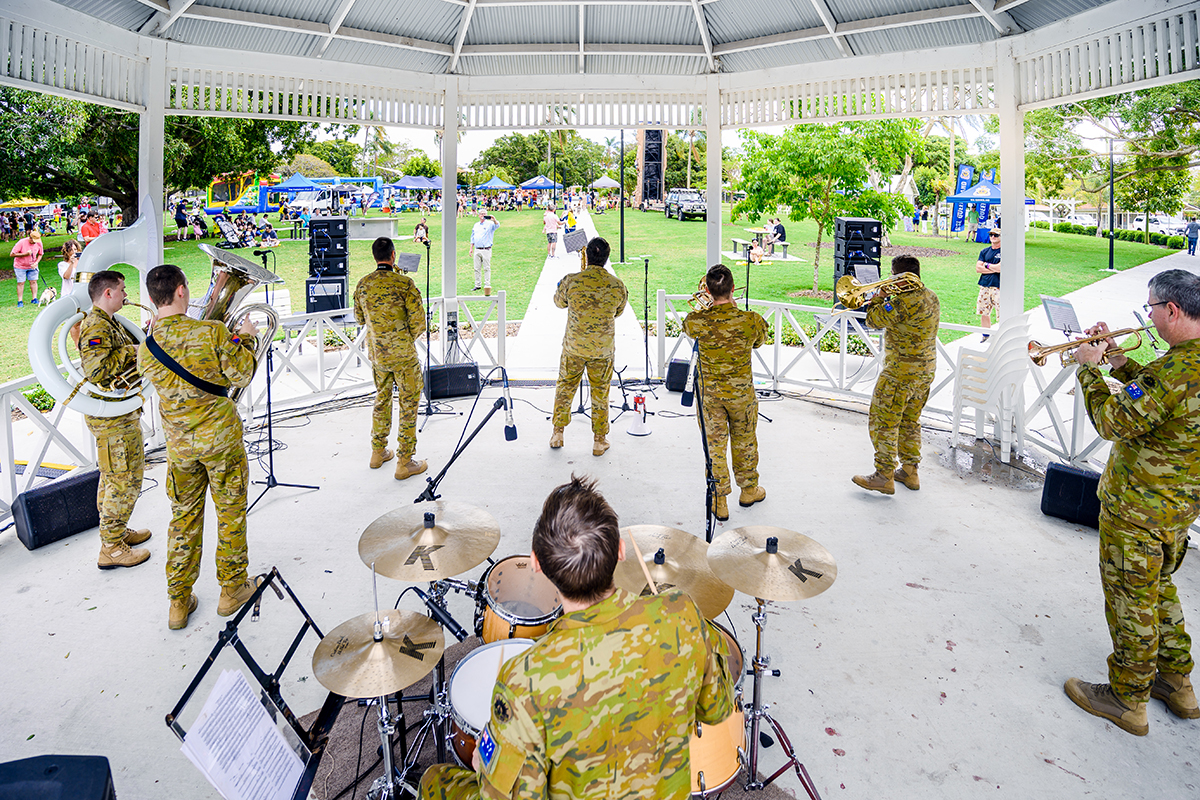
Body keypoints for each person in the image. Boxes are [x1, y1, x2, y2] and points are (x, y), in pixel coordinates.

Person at [417, 474, 735, 800]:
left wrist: (485, 764)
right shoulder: (682, 615)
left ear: (537, 564)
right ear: (621, 549)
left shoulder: (525, 679)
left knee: (434, 781)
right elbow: (718, 709)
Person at [1064, 269, 1200, 736]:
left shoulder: (1174, 370)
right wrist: (1120, 360)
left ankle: (1127, 699)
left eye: (1152, 310)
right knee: (1161, 593)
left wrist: (1088, 366)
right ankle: (1177, 684)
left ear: (1173, 310)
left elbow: (1111, 420)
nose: (1150, 318)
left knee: (1130, 602)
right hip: (1178, 509)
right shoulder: (1183, 366)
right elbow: (1165, 402)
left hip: (1137, 510)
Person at [137, 264, 261, 631]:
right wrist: (247, 338)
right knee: (230, 514)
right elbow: (241, 374)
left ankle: (178, 601)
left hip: (180, 448)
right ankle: (232, 588)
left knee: (183, 520)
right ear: (181, 291)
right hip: (221, 441)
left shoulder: (146, 347)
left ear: (151, 298)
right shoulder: (213, 332)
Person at [682, 264, 770, 520]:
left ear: (708, 291)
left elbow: (688, 328)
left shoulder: (697, 321)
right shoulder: (751, 320)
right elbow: (759, 342)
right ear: (733, 289)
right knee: (745, 441)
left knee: (715, 447)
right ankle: (749, 490)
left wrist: (709, 307)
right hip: (742, 395)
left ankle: (720, 500)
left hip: (710, 397)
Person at [79, 270, 153, 570]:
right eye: (121, 290)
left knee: (113, 477)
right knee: (125, 479)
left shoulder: (108, 323)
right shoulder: (96, 324)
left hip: (118, 413)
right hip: (111, 418)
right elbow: (97, 370)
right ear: (107, 293)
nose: (126, 295)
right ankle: (111, 547)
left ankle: (117, 533)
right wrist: (136, 351)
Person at [850, 255, 941, 495]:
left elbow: (873, 320)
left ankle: (883, 475)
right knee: (910, 421)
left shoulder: (901, 302)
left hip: (900, 373)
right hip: (925, 371)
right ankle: (910, 471)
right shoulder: (931, 296)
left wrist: (878, 298)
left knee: (884, 422)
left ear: (898, 276)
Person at [353, 237, 427, 479]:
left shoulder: (363, 284)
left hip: (378, 355)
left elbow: (359, 319)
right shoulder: (405, 284)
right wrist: (404, 339)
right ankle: (405, 461)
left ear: (375, 256)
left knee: (381, 400)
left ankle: (378, 452)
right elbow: (419, 323)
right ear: (393, 256)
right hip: (404, 356)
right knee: (408, 405)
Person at [550, 237, 627, 456]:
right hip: (602, 351)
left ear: (587, 256)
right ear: (606, 257)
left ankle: (558, 433)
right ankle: (599, 440)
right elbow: (618, 312)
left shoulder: (572, 280)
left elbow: (558, 302)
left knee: (565, 387)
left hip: (574, 347)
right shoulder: (617, 285)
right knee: (601, 392)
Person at [975, 228, 1001, 337]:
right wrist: (993, 268)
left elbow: (1000, 268)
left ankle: (1002, 336)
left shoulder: (1004, 251)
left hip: (998, 287)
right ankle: (985, 335)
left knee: (1001, 313)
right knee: (984, 312)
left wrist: (986, 265)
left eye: (996, 235)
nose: (993, 237)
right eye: (991, 235)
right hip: (984, 286)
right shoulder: (984, 251)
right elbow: (978, 268)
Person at [470, 210, 499, 296]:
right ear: (478, 215)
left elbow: (497, 225)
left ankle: (487, 284)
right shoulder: (476, 225)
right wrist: (471, 248)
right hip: (477, 249)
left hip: (486, 249)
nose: (483, 215)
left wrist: (494, 220)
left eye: (485, 214)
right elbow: (473, 236)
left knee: (486, 267)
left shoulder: (490, 224)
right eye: (481, 214)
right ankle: (477, 284)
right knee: (476, 268)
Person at [11, 229, 43, 307]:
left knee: (33, 281)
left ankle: (34, 298)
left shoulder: (38, 243)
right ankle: (20, 301)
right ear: (30, 238)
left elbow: (40, 254)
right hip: (20, 266)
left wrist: (36, 263)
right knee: (21, 282)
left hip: (32, 266)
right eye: (34, 240)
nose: (35, 242)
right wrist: (25, 254)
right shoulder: (21, 242)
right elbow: (12, 254)